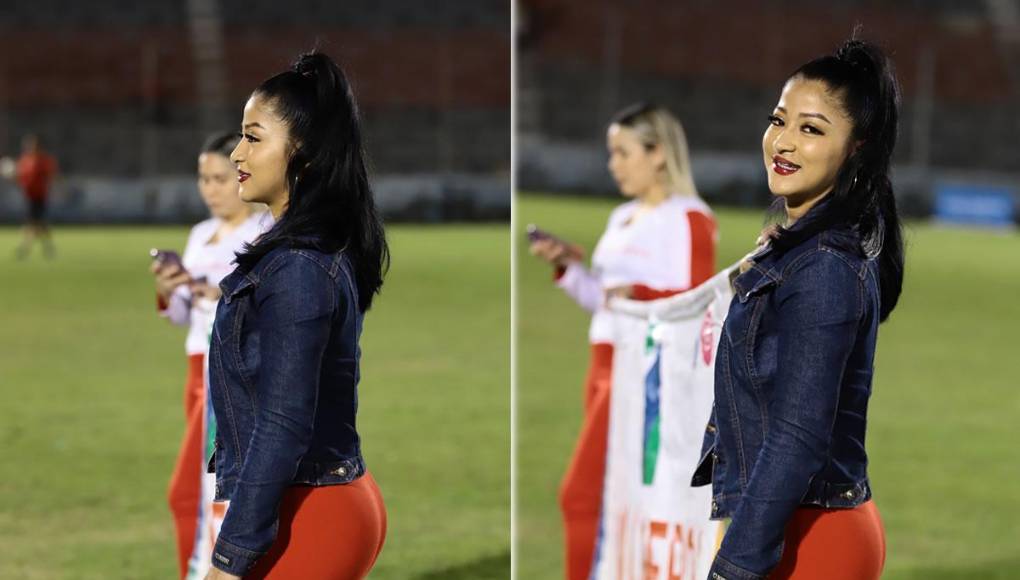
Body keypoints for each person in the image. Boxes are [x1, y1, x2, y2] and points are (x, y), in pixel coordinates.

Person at [691, 38, 905, 580]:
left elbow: (798, 435)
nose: (783, 142)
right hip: (788, 523)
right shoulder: (808, 253)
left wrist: (734, 567)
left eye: (811, 129)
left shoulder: (825, 266)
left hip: (813, 535)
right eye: (778, 120)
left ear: (856, 148)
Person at [203, 51, 389, 580]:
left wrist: (229, 558)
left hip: (312, 511)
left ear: (302, 151)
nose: (237, 153)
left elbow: (283, 421)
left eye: (253, 137)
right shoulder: (301, 250)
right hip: (314, 500)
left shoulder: (299, 266)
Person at [530, 103, 717, 580]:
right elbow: (606, 301)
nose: (613, 164)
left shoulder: (690, 218)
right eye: (611, 153)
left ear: (658, 154)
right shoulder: (622, 216)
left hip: (643, 374)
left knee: (580, 495)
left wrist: (643, 293)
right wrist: (568, 268)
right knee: (611, 500)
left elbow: (699, 305)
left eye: (623, 152)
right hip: (601, 365)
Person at [148, 131, 269, 579]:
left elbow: (265, 307)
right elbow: (182, 314)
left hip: (229, 374)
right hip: (196, 372)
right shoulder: (200, 234)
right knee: (208, 491)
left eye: (220, 179)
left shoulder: (262, 232)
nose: (211, 190)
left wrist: (219, 294)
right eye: (203, 179)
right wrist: (169, 291)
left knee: (191, 493)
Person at [14, 134, 58, 259]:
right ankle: (47, 248)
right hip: (29, 196)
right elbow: (19, 178)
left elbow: (51, 176)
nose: (30, 148)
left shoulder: (43, 160)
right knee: (37, 224)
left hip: (40, 196)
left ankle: (26, 248)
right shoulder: (24, 161)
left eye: (32, 145)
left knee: (34, 223)